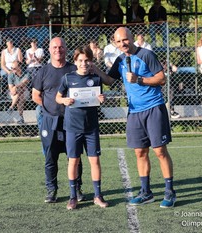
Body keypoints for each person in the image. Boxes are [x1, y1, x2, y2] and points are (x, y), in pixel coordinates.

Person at [92, 27, 176, 208]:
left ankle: (170, 192)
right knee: (140, 152)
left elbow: (162, 79)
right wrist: (94, 68)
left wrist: (139, 79)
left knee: (160, 151)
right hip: (134, 112)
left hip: (153, 108)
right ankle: (146, 192)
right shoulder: (120, 59)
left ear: (132, 38)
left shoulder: (146, 55)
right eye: (119, 41)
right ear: (115, 43)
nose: (123, 44)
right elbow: (109, 80)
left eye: (125, 39)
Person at [32, 37, 85, 203]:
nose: (58, 50)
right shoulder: (43, 71)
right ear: (49, 49)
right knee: (50, 158)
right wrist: (49, 108)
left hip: (71, 121)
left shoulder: (73, 69)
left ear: (66, 49)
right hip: (50, 122)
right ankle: (51, 190)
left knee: (74, 157)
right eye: (55, 47)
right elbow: (35, 95)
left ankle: (77, 189)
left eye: (61, 47)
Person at [55, 45, 108, 210]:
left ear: (91, 61)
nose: (84, 63)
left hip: (91, 127)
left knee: (95, 161)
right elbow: (58, 97)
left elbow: (98, 98)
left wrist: (101, 99)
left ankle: (97, 195)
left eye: (87, 60)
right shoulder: (67, 78)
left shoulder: (96, 79)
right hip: (72, 127)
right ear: (75, 61)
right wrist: (64, 101)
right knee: (73, 161)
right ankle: (72, 197)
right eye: (80, 60)